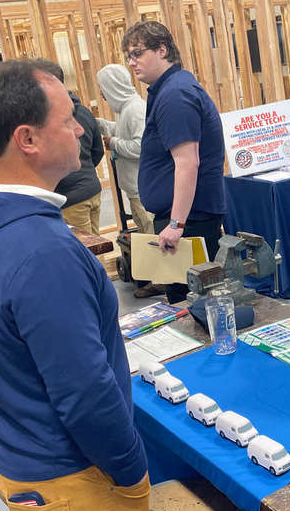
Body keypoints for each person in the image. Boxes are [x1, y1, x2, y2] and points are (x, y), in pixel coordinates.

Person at [0, 59, 151, 511]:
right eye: (67, 119)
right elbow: (85, 394)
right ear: (27, 139)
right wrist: (129, 472)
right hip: (74, 481)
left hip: (21, 461)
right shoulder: (40, 252)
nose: (81, 128)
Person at [123, 20, 227, 304]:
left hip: (188, 221)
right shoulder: (168, 89)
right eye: (128, 56)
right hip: (184, 218)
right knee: (189, 301)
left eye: (137, 53)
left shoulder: (175, 95)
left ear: (162, 50)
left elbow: (187, 163)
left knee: (193, 303)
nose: (132, 62)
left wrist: (177, 224)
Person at [42, 63, 106, 235]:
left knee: (85, 251)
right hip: (92, 189)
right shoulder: (84, 111)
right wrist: (84, 167)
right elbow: (97, 150)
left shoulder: (50, 118)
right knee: (96, 246)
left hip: (72, 197)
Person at [96, 63, 153, 234]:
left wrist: (113, 143)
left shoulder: (135, 110)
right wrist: (102, 125)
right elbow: (125, 132)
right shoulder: (127, 109)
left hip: (142, 190)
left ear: (113, 87)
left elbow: (140, 147)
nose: (101, 94)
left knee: (153, 240)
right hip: (136, 190)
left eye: (102, 89)